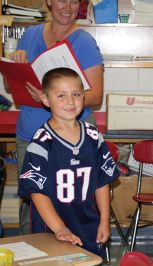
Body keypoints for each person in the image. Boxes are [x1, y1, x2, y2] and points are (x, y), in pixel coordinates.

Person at [5, 0, 104, 234]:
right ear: (49, 1)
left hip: (71, 138)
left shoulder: (83, 41)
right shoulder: (29, 35)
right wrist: (15, 66)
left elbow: (96, 96)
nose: (67, 7)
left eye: (73, 1)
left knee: (74, 201)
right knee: (33, 201)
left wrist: (53, 97)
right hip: (30, 135)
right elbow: (10, 87)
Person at [17, 68, 118, 257]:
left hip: (88, 224)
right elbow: (36, 192)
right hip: (51, 228)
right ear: (46, 100)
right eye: (61, 95)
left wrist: (104, 219)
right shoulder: (41, 143)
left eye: (76, 94)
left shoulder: (93, 136)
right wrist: (60, 228)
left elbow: (102, 181)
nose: (70, 101)